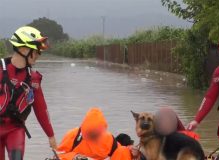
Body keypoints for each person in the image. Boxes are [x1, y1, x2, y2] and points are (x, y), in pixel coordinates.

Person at [0, 26, 56, 160]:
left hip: (15, 130)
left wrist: (51, 136)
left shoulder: (34, 79)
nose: (38, 55)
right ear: (23, 49)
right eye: (36, 51)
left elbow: (41, 109)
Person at [57, 107, 132, 160]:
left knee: (124, 150)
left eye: (97, 132)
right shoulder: (73, 135)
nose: (94, 135)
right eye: (91, 131)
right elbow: (58, 155)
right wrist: (74, 157)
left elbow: (119, 153)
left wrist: (132, 150)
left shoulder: (108, 138)